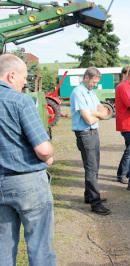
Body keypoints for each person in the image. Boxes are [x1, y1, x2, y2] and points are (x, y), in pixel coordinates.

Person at [0, 54, 56, 265]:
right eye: (24, 77)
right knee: (40, 246)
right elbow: (42, 149)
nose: (25, 82)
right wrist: (49, 156)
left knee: (3, 247)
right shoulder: (21, 101)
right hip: (27, 183)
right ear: (11, 75)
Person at [70, 67, 111, 215]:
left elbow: (103, 108)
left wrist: (96, 113)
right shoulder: (78, 92)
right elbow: (87, 119)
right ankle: (95, 203)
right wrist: (99, 115)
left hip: (93, 132)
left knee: (94, 166)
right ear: (86, 77)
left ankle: (89, 196)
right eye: (94, 81)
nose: (95, 84)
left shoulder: (90, 92)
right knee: (91, 169)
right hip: (85, 134)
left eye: (96, 82)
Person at [116, 66, 130, 184]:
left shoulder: (126, 86)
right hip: (126, 123)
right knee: (129, 150)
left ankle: (126, 173)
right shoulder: (122, 87)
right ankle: (122, 174)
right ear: (125, 74)